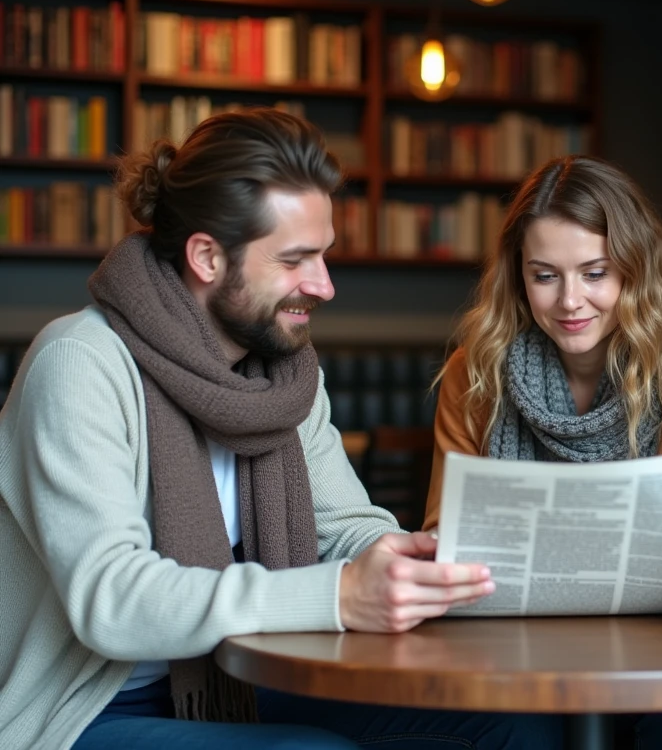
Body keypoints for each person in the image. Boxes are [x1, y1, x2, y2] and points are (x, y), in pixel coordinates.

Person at [0, 108, 562, 750]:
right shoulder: (81, 363)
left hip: (237, 677)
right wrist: (340, 597)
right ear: (207, 256)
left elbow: (344, 526)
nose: (323, 285)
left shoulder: (287, 374)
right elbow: (112, 600)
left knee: (512, 719)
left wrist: (409, 559)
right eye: (296, 259)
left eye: (323, 255)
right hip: (84, 705)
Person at [424, 155, 662, 749]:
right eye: (545, 275)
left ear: (635, 270)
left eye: (595, 273)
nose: (571, 301)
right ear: (518, 277)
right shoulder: (472, 376)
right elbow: (450, 538)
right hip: (512, 653)